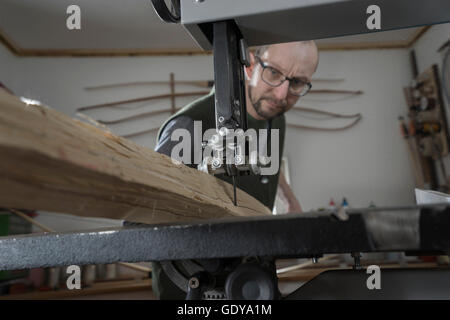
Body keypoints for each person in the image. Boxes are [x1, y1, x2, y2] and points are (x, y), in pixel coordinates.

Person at [152, 40, 319, 299]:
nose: (281, 95)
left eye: (297, 82)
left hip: (253, 278)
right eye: (273, 73)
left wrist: (289, 198)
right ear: (250, 65)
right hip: (192, 287)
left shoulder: (275, 117)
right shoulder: (190, 124)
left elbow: (264, 162)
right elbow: (142, 216)